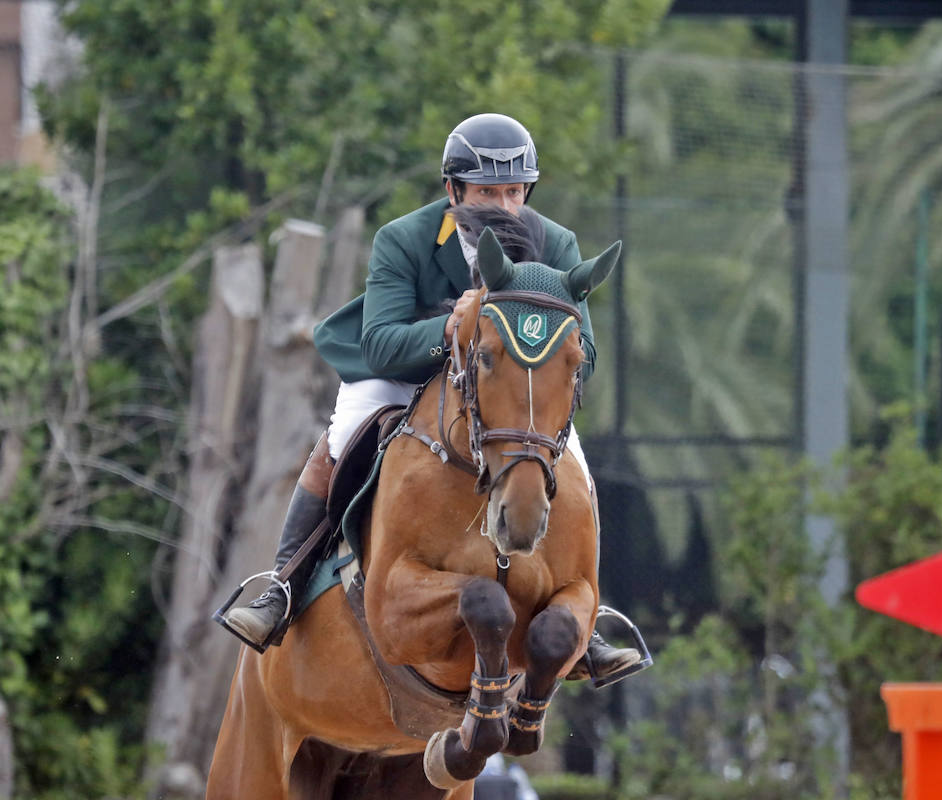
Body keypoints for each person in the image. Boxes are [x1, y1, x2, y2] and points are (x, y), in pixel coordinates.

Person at [217, 113, 646, 686]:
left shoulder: (557, 244)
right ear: (453, 190)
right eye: (487, 191)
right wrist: (450, 330)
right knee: (342, 434)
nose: (503, 204)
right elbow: (381, 342)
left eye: (514, 191)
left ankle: (584, 626)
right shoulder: (405, 238)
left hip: (506, 386)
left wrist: (535, 347)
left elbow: (584, 352)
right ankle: (285, 583)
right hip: (408, 371)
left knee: (574, 463)